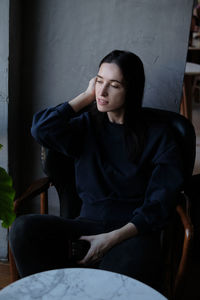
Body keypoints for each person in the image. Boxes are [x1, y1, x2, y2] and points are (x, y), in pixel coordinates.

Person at [9, 50, 183, 292]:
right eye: (99, 81)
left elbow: (159, 203)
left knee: (109, 283)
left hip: (131, 233)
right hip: (85, 225)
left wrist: (111, 239)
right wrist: (85, 97)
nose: (102, 92)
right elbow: (41, 129)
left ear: (131, 90)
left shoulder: (160, 135)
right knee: (22, 229)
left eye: (114, 85)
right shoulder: (86, 126)